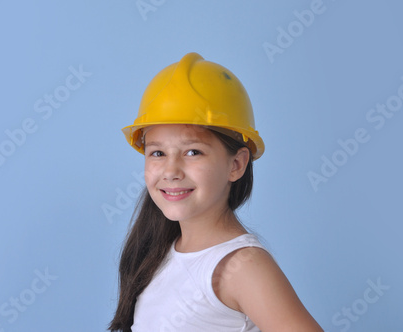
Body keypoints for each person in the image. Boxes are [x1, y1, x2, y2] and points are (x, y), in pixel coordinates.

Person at [109, 52, 323, 332]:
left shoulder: (243, 267)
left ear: (236, 165)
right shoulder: (158, 252)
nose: (171, 170)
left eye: (193, 152)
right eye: (158, 152)